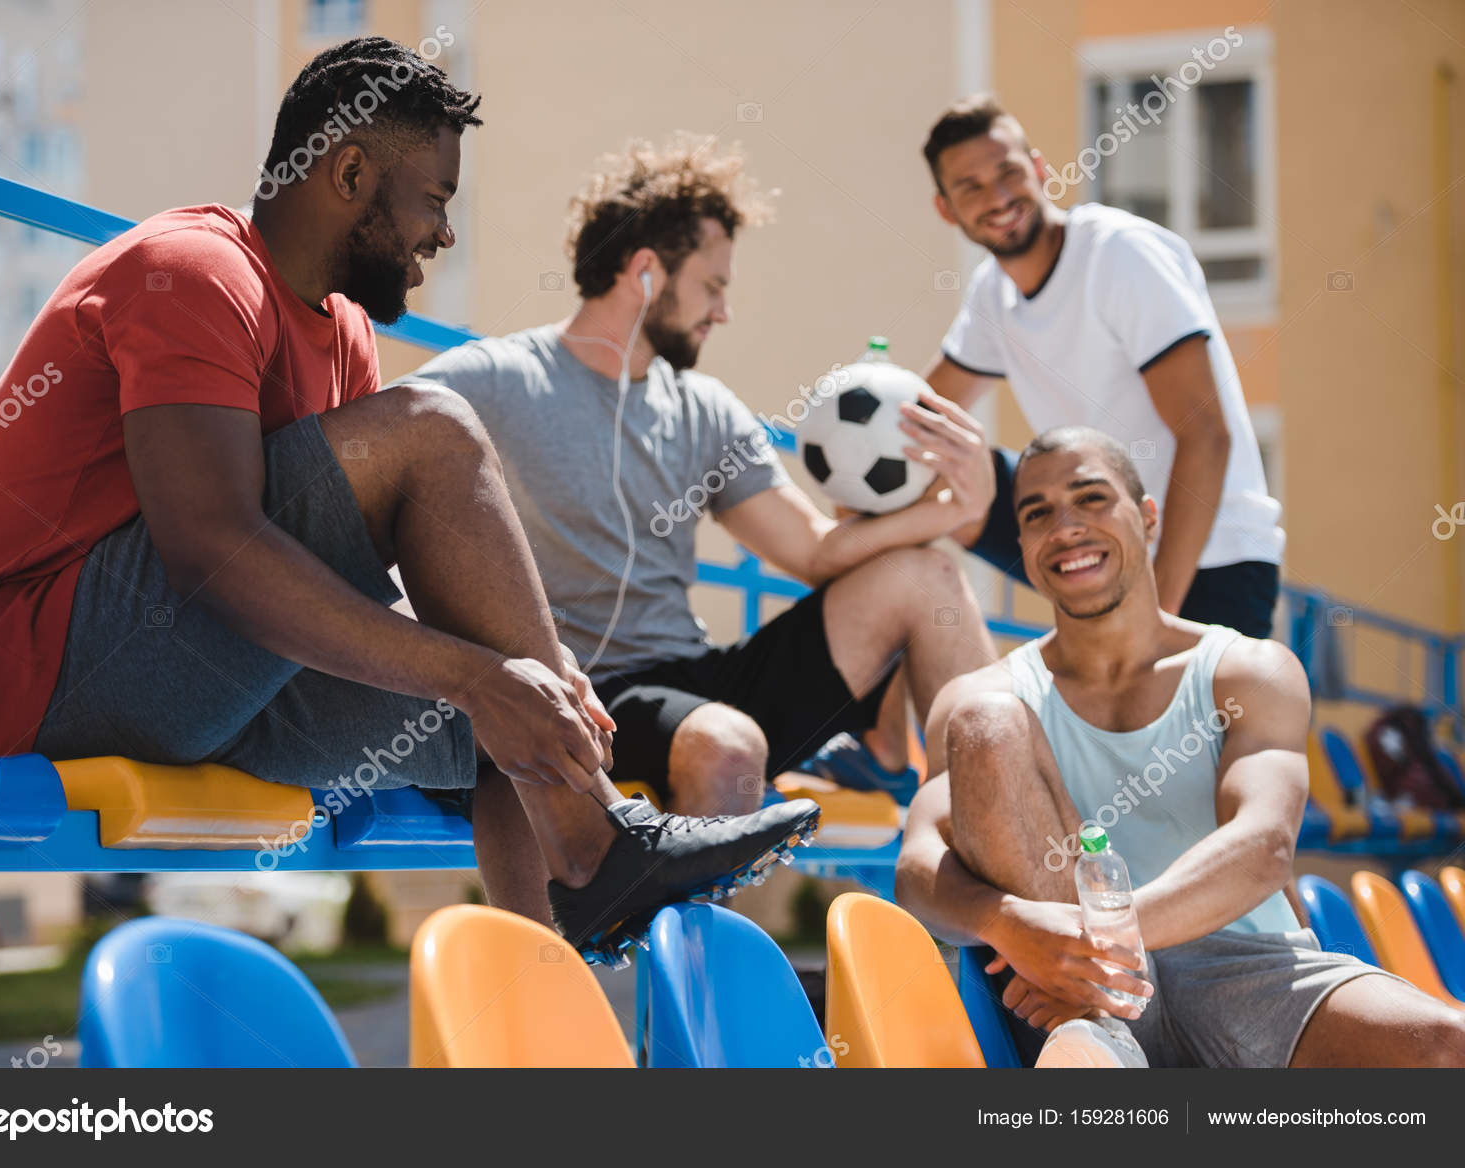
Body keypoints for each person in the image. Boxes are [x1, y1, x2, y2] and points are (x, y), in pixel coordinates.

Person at [0, 37, 817, 964]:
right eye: (433, 199)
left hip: (199, 672)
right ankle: (603, 846)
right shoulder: (192, 271)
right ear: (350, 172)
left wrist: (535, 672)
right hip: (47, 672)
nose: (444, 233)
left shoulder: (345, 330)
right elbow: (209, 542)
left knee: (505, 722)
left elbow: (333, 583)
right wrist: (476, 673)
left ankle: (553, 1013)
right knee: (437, 434)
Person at [404, 136, 998, 818]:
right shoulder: (497, 378)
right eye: (713, 287)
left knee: (928, 578)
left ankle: (990, 855)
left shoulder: (706, 407)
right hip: (590, 699)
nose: (724, 310)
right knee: (724, 744)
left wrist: (955, 507)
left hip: (700, 684)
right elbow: (375, 444)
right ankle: (696, 930)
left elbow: (813, 552)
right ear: (647, 273)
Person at [894, 426, 1465, 1067]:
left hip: (1245, 967)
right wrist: (1005, 923)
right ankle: (1098, 1041)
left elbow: (1264, 846)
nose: (1065, 527)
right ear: (1023, 545)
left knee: (1446, 1047)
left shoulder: (1247, 671)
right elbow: (917, 867)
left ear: (1147, 517)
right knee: (984, 722)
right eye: (1037, 513)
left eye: (1091, 499)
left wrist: (1101, 935)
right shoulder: (984, 695)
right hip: (1080, 997)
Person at [811, 92, 1288, 797]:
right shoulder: (992, 297)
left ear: (1038, 168)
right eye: (969, 186)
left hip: (1208, 554)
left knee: (1187, 806)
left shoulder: (1120, 255)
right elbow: (917, 422)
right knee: (896, 495)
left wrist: (1155, 623)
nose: (996, 196)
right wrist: (851, 474)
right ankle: (882, 742)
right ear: (948, 209)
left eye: (1006, 172)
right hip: (1083, 523)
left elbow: (1206, 434)